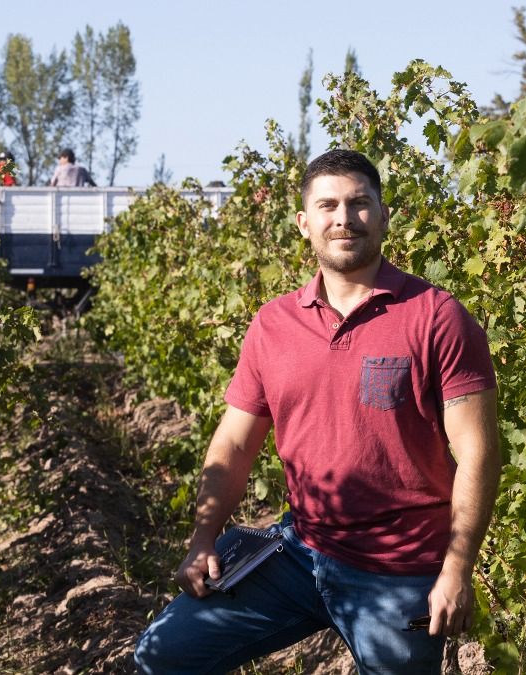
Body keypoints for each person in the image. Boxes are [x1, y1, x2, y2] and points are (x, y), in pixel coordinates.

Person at [132, 149, 500, 674]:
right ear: (305, 223)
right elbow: (234, 444)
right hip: (297, 553)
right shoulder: (273, 324)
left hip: (398, 573)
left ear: (384, 214)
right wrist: (203, 539)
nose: (344, 218)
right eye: (328, 206)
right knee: (163, 655)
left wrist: (457, 569)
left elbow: (478, 453)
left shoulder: (437, 317)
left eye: (359, 203)